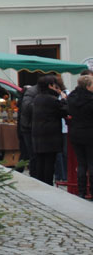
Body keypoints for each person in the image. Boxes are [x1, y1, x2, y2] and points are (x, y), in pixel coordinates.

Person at [30, 74, 68, 186]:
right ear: (50, 86)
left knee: (41, 161)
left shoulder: (37, 98)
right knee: (49, 162)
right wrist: (64, 98)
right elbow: (65, 110)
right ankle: (47, 184)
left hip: (38, 134)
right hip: (50, 136)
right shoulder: (52, 100)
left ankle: (41, 183)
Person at [69, 72, 93, 200]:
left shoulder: (72, 97)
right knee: (91, 163)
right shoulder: (91, 99)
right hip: (90, 133)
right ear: (88, 86)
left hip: (76, 132)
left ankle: (81, 191)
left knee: (81, 163)